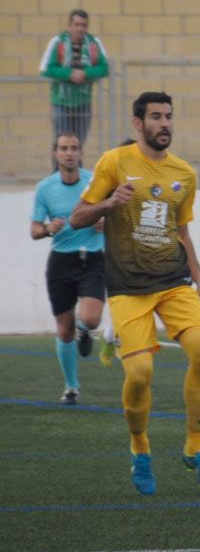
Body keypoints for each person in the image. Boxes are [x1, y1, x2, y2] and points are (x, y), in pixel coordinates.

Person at [70, 91, 200, 496]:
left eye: (169, 116)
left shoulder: (184, 173)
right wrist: (107, 202)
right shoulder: (114, 162)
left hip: (174, 283)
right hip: (128, 289)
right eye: (156, 117)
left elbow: (182, 232)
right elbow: (77, 217)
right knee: (139, 374)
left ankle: (196, 447)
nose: (165, 123)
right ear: (138, 124)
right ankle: (140, 449)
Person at [31, 132, 107, 404]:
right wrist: (48, 229)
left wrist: (105, 222)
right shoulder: (45, 188)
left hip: (92, 258)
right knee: (63, 330)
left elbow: (115, 214)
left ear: (81, 153)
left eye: (74, 148)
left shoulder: (95, 183)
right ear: (56, 154)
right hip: (61, 262)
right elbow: (35, 230)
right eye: (64, 148)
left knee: (91, 318)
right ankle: (71, 387)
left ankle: (84, 329)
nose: (69, 153)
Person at [39, 9, 109, 149]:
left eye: (83, 25)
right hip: (61, 103)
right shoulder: (58, 42)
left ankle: (77, 171)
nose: (80, 28)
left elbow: (105, 67)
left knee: (78, 145)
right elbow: (45, 68)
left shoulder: (93, 43)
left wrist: (85, 73)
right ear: (70, 25)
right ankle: (58, 171)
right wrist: (69, 74)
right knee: (61, 145)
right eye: (77, 24)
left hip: (83, 103)